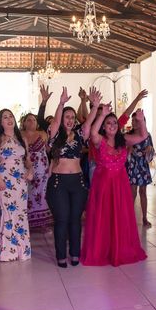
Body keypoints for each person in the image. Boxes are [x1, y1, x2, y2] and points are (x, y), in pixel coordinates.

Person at [82, 101, 148, 267]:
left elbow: (142, 136)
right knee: (103, 218)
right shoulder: (99, 140)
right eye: (108, 123)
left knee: (120, 217)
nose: (111, 125)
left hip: (120, 184)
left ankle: (120, 249)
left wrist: (141, 122)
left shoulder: (124, 140)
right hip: (103, 185)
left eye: (113, 123)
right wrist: (102, 113)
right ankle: (103, 250)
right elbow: (92, 131)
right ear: (104, 127)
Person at [46, 87, 97, 268]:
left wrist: (95, 106)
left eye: (72, 117)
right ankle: (61, 255)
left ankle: (75, 253)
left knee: (75, 220)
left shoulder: (80, 135)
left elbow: (89, 122)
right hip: (58, 183)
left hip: (78, 182)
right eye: (67, 117)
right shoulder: (54, 134)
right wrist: (61, 104)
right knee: (62, 219)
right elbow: (57, 119)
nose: (69, 120)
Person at [0, 109, 33, 261]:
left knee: (20, 214)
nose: (9, 119)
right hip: (4, 180)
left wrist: (30, 169)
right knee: (8, 214)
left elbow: (27, 159)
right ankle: (7, 252)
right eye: (5, 117)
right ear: (0, 122)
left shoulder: (22, 137)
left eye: (11, 116)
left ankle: (22, 251)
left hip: (21, 181)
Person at [21, 113, 53, 229]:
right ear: (24, 123)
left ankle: (42, 221)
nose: (31, 122)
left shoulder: (42, 134)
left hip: (42, 169)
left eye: (33, 120)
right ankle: (26, 222)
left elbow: (50, 150)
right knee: (27, 192)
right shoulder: (19, 135)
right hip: (25, 168)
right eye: (28, 120)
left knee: (41, 192)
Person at [126, 110, 154, 227]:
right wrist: (129, 149)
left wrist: (149, 150)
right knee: (132, 192)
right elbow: (122, 152)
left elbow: (152, 151)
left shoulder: (147, 135)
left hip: (143, 165)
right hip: (132, 165)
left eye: (136, 120)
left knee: (143, 192)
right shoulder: (128, 134)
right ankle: (129, 218)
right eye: (132, 120)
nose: (133, 122)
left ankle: (144, 217)